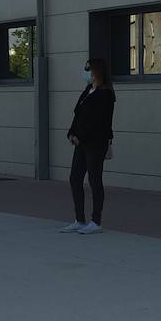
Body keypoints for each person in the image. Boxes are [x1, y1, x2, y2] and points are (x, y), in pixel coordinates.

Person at [62, 57, 115, 234]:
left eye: (87, 69)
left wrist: (81, 137)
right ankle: (79, 219)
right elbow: (78, 114)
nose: (85, 73)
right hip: (80, 142)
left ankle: (96, 221)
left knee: (94, 180)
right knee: (75, 178)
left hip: (95, 143)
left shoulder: (106, 94)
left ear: (96, 72)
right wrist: (71, 132)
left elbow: (100, 122)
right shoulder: (87, 91)